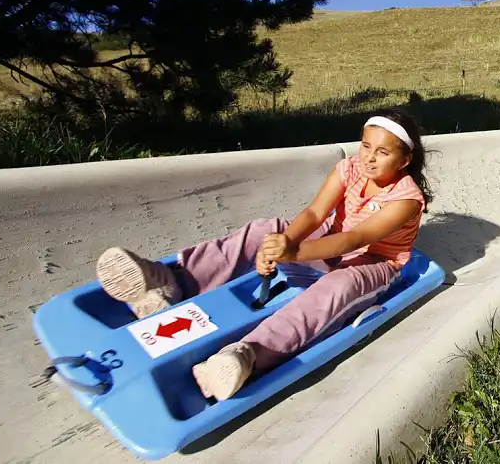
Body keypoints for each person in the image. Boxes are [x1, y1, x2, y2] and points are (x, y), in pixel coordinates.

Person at [93, 107, 433, 401]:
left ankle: (246, 357)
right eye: (365, 146)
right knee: (265, 230)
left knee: (336, 290)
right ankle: (170, 282)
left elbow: (354, 239)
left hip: (371, 261)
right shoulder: (349, 169)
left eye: (382, 153)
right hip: (328, 238)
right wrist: (282, 241)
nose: (369, 158)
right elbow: (315, 214)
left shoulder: (405, 199)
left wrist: (293, 254)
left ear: (404, 160)